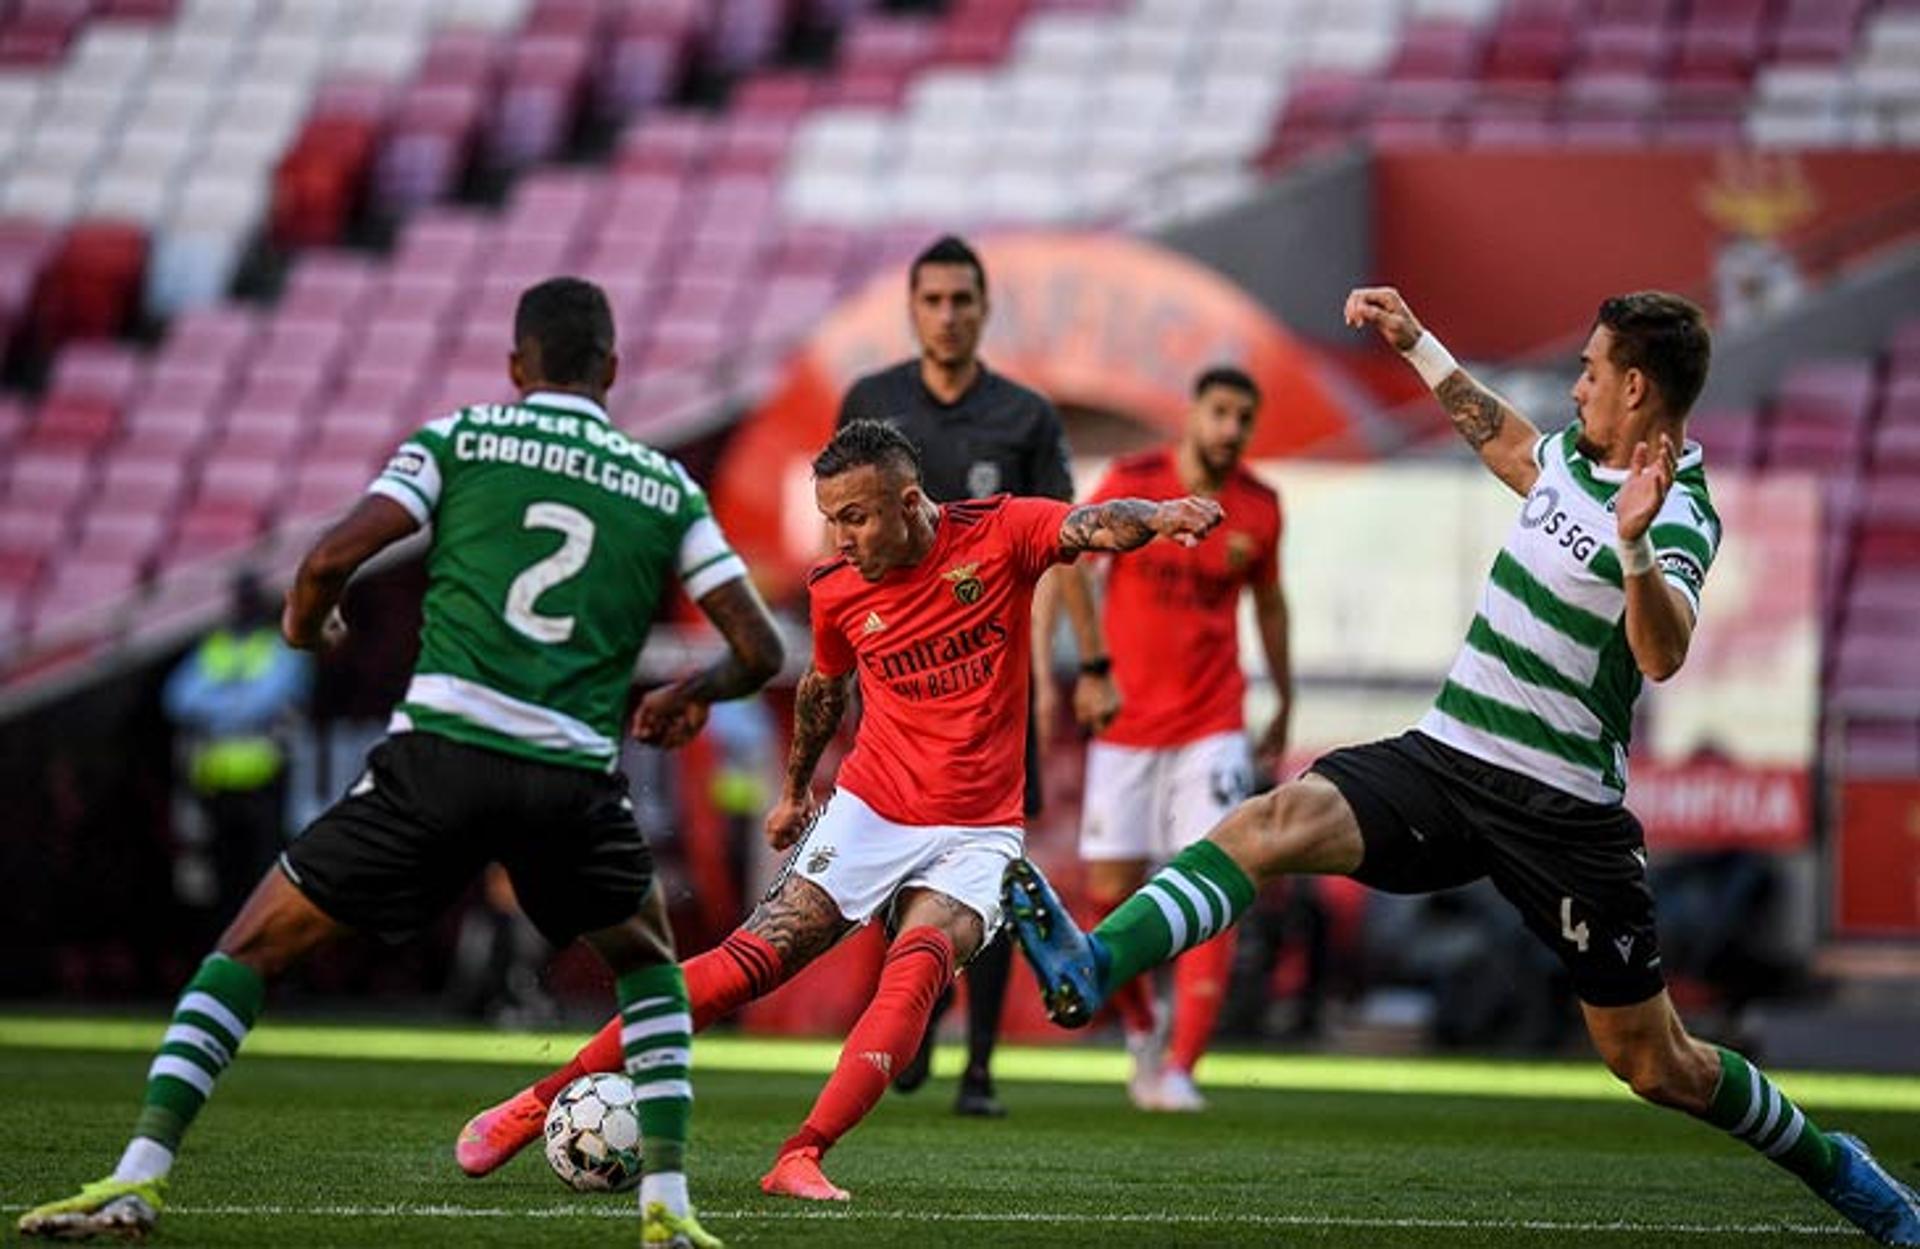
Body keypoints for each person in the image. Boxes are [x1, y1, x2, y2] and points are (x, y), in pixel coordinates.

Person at [1003, 288, 1920, 1247]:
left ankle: (1836, 1165)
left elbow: (1662, 652)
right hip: (1448, 757)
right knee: (1269, 822)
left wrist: (1636, 544)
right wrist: (1418, 345)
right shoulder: (1571, 455)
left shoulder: (1680, 514)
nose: (1577, 385)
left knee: (1657, 1064)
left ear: (1637, 386)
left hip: (1562, 814)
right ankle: (1094, 962)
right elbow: (1513, 447)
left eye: (1592, 369)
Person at [19, 277, 785, 1249]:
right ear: (614, 371)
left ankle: (137, 1179)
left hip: (440, 758)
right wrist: (687, 694)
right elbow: (758, 648)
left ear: (518, 367)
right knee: (651, 976)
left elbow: (327, 559)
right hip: (570, 779)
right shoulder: (665, 484)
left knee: (248, 948)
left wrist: (310, 625)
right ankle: (668, 1209)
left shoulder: (457, 437)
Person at [453, 419, 1221, 1201]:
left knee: (917, 965)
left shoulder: (1000, 533)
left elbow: (1088, 523)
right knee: (746, 964)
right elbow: (823, 689)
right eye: (831, 519)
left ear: (910, 501)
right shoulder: (837, 588)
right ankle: (535, 1103)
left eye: (854, 516)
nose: (840, 537)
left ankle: (801, 1153)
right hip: (869, 809)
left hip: (980, 830)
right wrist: (794, 793)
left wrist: (1158, 518)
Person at [837, 233, 1115, 1117]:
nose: (949, 315)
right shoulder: (870, 404)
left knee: (992, 866)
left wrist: (1093, 661)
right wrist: (837, 658)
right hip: (897, 692)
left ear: (984, 309)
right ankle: (925, 1009)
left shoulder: (1025, 418)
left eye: (963, 300)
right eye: (934, 300)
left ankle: (981, 1069)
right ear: (913, 309)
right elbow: (839, 536)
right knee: (889, 863)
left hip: (997, 694)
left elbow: (1067, 542)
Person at [1074, 364, 1290, 1112]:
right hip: (1126, 725)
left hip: (1214, 723)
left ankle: (1182, 1066)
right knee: (1109, 895)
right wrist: (1084, 670)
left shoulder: (1260, 508)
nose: (1231, 429)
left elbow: (1271, 605)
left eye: (1244, 418)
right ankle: (1141, 1032)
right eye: (1221, 412)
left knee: (1215, 884)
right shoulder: (1134, 485)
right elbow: (1069, 562)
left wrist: (1285, 696)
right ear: (1191, 413)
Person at [161, 570, 314, 927]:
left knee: (265, 875)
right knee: (221, 879)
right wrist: (238, 704)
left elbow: (268, 700)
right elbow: (177, 699)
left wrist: (218, 703)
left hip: (265, 779)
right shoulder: (213, 647)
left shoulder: (280, 649)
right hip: (216, 783)